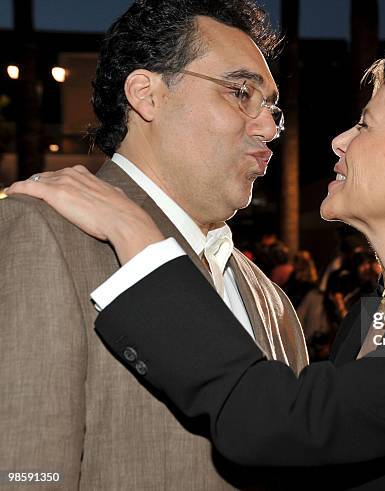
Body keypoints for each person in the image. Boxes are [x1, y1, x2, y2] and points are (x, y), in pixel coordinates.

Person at [7, 27, 385, 489]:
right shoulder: (363, 322)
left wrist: (139, 236)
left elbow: (283, 422)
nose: (339, 141)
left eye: (366, 124)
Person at [0, 1, 307, 489]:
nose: (269, 128)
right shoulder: (44, 234)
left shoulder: (271, 301)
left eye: (271, 108)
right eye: (241, 92)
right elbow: (23, 468)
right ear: (147, 95)